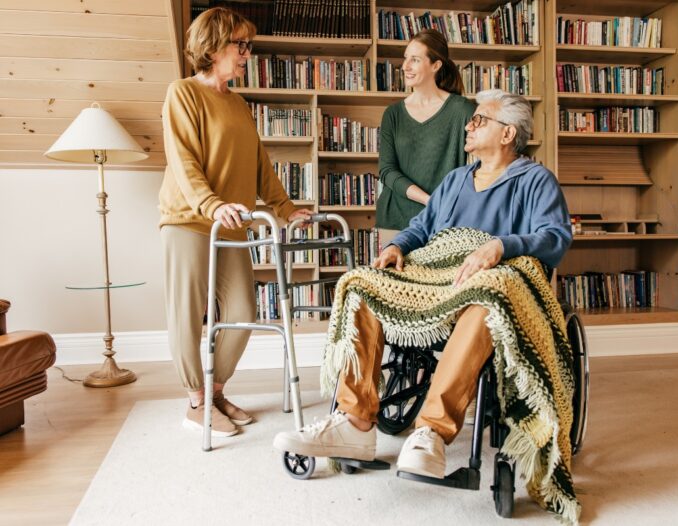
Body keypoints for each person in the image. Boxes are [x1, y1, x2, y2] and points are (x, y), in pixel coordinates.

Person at [274, 89, 572, 478]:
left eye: (480, 119)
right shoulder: (455, 180)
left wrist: (501, 246)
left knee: (489, 300)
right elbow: (421, 227)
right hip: (435, 279)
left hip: (486, 288)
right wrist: (398, 245)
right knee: (364, 284)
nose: (469, 124)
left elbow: (555, 237)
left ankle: (431, 430)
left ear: (507, 134)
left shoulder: (535, 180)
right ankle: (355, 422)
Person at [159, 7, 312, 437]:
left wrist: (284, 207)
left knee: (243, 312)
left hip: (232, 223)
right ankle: (196, 401)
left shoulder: (240, 104)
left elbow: (259, 164)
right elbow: (184, 159)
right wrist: (210, 205)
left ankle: (216, 391)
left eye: (249, 45)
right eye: (239, 45)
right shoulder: (183, 93)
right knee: (188, 316)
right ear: (213, 46)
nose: (247, 53)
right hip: (189, 220)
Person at [376, 29, 475, 247]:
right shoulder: (392, 114)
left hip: (446, 221)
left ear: (436, 65)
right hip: (395, 221)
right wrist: (430, 201)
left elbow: (484, 163)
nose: (405, 67)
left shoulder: (463, 110)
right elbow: (387, 171)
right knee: (391, 281)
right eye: (405, 59)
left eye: (415, 60)